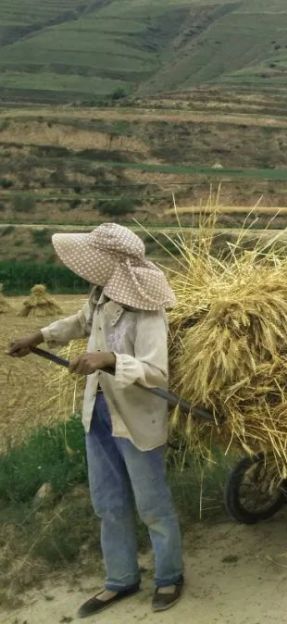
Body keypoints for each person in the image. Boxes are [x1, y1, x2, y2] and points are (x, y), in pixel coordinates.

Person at [6, 223, 184, 617]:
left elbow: (156, 373)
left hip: (136, 418)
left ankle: (169, 576)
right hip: (99, 414)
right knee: (108, 501)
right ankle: (120, 579)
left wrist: (108, 359)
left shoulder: (147, 310)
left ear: (114, 264)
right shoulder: (101, 297)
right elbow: (80, 322)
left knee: (152, 504)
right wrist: (38, 335)